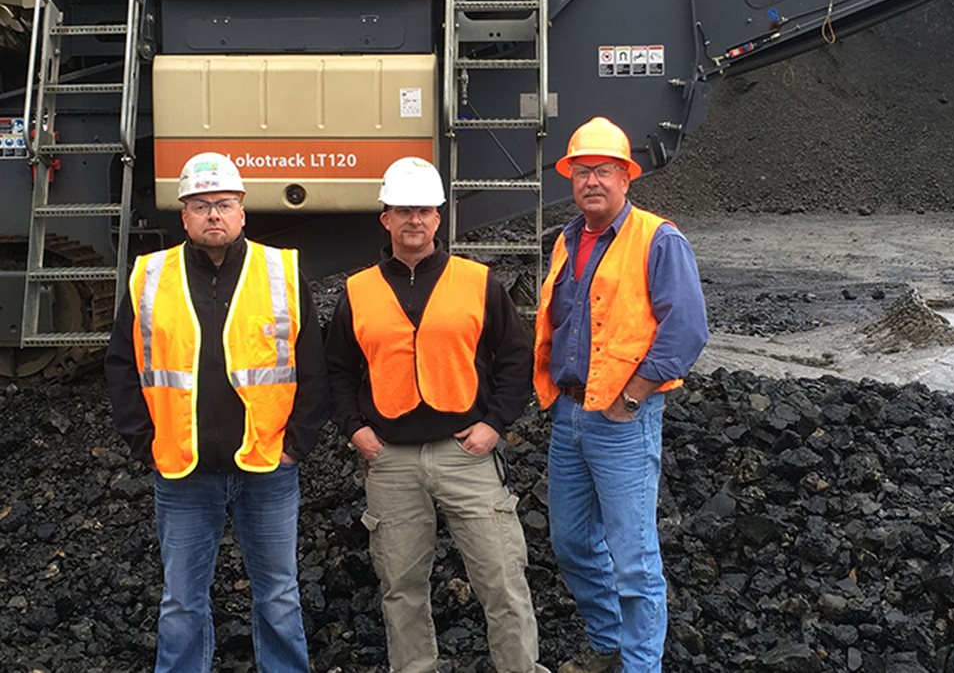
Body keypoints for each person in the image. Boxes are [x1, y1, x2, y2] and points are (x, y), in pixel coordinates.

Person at [104, 152, 328, 672]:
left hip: (268, 466)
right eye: (201, 205)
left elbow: (312, 364)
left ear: (242, 210)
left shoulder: (282, 271)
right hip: (183, 471)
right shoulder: (149, 276)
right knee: (181, 602)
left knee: (279, 596)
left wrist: (298, 444)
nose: (213, 215)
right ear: (183, 215)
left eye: (223, 204)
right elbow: (122, 364)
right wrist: (144, 442)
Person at [326, 156, 547, 673]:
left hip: (465, 455)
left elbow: (517, 357)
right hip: (391, 462)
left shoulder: (477, 282)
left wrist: (495, 424)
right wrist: (357, 431)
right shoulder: (357, 292)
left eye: (424, 210)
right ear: (385, 218)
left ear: (439, 218)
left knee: (502, 580)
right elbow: (337, 370)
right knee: (400, 588)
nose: (414, 221)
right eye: (403, 210)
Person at [534, 117, 709, 673]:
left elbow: (687, 330)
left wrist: (630, 398)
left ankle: (640, 665)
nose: (592, 181)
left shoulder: (658, 238)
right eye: (582, 171)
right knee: (570, 542)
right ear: (570, 178)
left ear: (626, 178)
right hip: (569, 413)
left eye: (604, 170)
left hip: (622, 419)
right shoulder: (566, 240)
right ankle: (608, 643)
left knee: (633, 558)